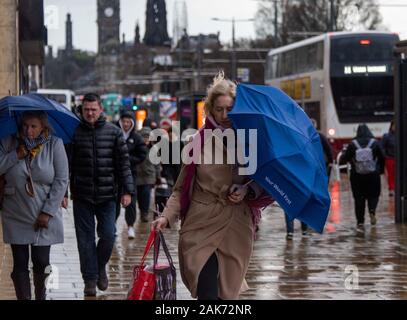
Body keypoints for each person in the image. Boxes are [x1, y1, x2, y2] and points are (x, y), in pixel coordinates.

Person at [151, 72, 273, 300]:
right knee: (206, 292)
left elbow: (267, 180)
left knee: (226, 296)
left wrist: (247, 189)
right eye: (219, 109)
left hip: (236, 224)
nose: (225, 115)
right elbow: (180, 189)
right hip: (200, 222)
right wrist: (166, 217)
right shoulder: (196, 142)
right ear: (210, 109)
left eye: (230, 109)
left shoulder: (251, 141)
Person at [68, 93, 134, 297]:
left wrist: (127, 190)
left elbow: (124, 164)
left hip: (108, 196)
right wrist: (62, 191)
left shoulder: (113, 133)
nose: (89, 113)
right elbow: (66, 166)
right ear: (82, 110)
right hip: (82, 195)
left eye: (93, 110)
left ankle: (99, 266)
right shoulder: (74, 133)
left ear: (100, 110)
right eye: (86, 110)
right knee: (84, 239)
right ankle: (90, 279)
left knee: (108, 235)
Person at [0, 111, 69, 300]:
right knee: (20, 263)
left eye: (33, 126)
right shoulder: (8, 142)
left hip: (43, 209)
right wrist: (15, 155)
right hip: (15, 209)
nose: (28, 130)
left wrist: (47, 212)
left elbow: (62, 180)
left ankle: (41, 295)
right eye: (24, 126)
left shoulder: (54, 144)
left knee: (41, 261)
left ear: (43, 127)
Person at [339, 124, 385, 228]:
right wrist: (380, 170)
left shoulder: (352, 144)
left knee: (359, 198)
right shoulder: (375, 143)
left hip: (357, 176)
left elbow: (344, 159)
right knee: (373, 195)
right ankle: (372, 210)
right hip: (373, 175)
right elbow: (382, 157)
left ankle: (360, 222)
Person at [115, 111, 148, 239]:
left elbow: (142, 154)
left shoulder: (137, 137)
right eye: (124, 121)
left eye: (128, 122)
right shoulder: (116, 134)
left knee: (131, 201)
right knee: (115, 200)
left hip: (130, 173)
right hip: (116, 174)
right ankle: (113, 225)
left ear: (132, 123)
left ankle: (130, 226)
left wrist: (129, 159)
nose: (126, 124)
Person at [136, 126, 161, 222]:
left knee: (146, 195)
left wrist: (158, 176)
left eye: (148, 137)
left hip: (149, 176)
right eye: (144, 137)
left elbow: (157, 164)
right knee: (139, 196)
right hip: (138, 176)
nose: (146, 139)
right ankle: (142, 210)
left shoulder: (154, 149)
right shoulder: (136, 148)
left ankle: (144, 213)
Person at [381, 120, 395, 196]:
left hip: (399, 159)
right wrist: (385, 156)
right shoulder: (386, 136)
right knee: (391, 174)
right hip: (390, 158)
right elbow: (382, 147)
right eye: (394, 125)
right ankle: (391, 189)